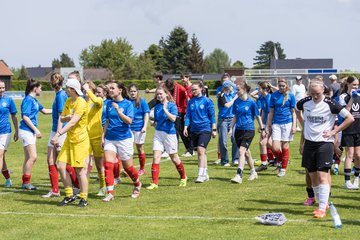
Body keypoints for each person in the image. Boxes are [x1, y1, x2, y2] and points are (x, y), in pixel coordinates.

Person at [296, 79, 354, 218]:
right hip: (310, 143)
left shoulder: (331, 104)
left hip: (325, 143)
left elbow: (350, 118)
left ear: (323, 90)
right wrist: (304, 125)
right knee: (312, 176)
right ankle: (322, 202)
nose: (315, 96)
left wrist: (334, 132)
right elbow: (297, 110)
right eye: (312, 93)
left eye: (317, 93)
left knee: (322, 175)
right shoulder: (304, 102)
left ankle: (322, 208)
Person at [51, 78, 89, 207]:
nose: (66, 90)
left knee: (79, 171)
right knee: (61, 165)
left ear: (72, 89)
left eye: (67, 88)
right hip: (69, 139)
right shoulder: (68, 101)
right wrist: (67, 117)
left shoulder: (81, 103)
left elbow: (73, 122)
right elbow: (63, 118)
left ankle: (84, 198)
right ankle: (69, 195)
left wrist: (58, 134)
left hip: (80, 141)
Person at [102, 82, 142, 202]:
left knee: (128, 167)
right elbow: (107, 121)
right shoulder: (108, 103)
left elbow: (129, 121)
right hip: (110, 138)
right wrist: (102, 136)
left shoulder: (128, 104)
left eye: (113, 88)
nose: (110, 90)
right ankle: (110, 193)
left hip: (124, 139)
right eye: (109, 89)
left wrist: (119, 112)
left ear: (120, 90)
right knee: (108, 165)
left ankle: (137, 184)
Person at [146, 87, 187, 190]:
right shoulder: (157, 107)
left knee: (174, 158)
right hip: (158, 133)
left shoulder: (172, 106)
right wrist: (153, 123)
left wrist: (165, 109)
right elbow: (155, 121)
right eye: (157, 94)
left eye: (161, 94)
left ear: (166, 94)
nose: (159, 96)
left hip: (170, 134)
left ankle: (183, 177)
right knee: (156, 157)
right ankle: (154, 183)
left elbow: (173, 118)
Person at [229, 82, 265, 183]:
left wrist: (262, 129)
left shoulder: (252, 102)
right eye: (236, 89)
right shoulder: (236, 102)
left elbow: (257, 116)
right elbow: (235, 116)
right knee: (246, 153)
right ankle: (253, 172)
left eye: (238, 89)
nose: (236, 91)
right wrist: (231, 128)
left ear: (244, 90)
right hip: (238, 130)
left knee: (241, 151)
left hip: (249, 130)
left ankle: (239, 175)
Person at [19, 79, 52, 190]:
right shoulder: (28, 100)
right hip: (26, 130)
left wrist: (59, 110)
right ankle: (26, 183)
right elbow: (25, 117)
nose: (41, 90)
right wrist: (36, 130)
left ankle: (25, 182)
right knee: (33, 157)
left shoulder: (34, 100)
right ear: (35, 88)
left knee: (28, 157)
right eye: (40, 88)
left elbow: (45, 111)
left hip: (29, 131)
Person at [184, 82, 216, 183]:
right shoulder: (191, 102)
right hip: (194, 130)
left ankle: (200, 175)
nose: (193, 91)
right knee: (201, 153)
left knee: (200, 150)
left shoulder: (207, 101)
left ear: (201, 89)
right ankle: (205, 173)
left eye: (195, 89)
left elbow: (212, 116)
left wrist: (214, 129)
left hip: (205, 129)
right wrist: (185, 127)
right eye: (192, 90)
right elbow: (188, 115)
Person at [42, 73, 68, 198]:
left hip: (60, 131)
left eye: (51, 80)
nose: (50, 82)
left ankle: (76, 187)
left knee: (63, 162)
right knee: (51, 160)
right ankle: (55, 190)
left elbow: (61, 116)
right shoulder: (58, 95)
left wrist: (58, 134)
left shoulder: (61, 95)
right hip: (55, 130)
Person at [265, 78, 296, 177]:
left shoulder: (291, 95)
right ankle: (282, 160)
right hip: (276, 123)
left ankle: (283, 168)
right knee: (274, 147)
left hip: (287, 123)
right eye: (280, 86)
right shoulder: (273, 96)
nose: (281, 87)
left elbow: (294, 112)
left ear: (286, 85)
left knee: (285, 146)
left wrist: (294, 125)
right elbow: (271, 112)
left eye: (283, 86)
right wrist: (268, 125)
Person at [83, 80, 107, 196]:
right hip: (86, 137)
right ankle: (84, 189)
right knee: (85, 165)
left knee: (98, 165)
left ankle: (103, 187)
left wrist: (88, 89)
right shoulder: (85, 102)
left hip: (97, 137)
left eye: (86, 90)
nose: (84, 92)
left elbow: (96, 99)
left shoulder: (99, 101)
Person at [338, 76, 360, 189]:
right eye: (354, 85)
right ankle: (347, 182)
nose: (356, 87)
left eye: (357, 85)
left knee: (358, 155)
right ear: (348, 84)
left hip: (358, 129)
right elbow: (345, 113)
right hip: (348, 129)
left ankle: (356, 179)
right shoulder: (343, 97)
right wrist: (352, 98)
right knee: (350, 155)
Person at [165, 78, 193, 157]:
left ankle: (176, 151)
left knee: (179, 131)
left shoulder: (181, 88)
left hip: (181, 111)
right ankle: (188, 149)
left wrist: (186, 111)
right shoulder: (166, 87)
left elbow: (187, 99)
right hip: (171, 110)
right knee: (179, 131)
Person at [0, 80, 18, 188]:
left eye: (2, 88)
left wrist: (17, 130)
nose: (1, 90)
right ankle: (8, 179)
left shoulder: (8, 100)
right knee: (2, 158)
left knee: (0, 155)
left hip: (5, 133)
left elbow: (14, 116)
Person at [129, 84, 150, 175]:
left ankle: (142, 169)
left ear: (137, 92)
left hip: (139, 128)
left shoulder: (142, 101)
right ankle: (130, 169)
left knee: (139, 148)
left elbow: (146, 114)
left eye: (134, 91)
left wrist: (144, 126)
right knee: (128, 149)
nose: (133, 93)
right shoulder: (127, 101)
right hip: (128, 129)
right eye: (131, 91)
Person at [217, 80, 239, 166]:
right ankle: (224, 161)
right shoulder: (221, 96)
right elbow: (227, 105)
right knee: (223, 141)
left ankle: (235, 159)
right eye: (231, 86)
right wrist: (234, 98)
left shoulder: (233, 94)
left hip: (233, 119)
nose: (233, 87)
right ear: (227, 87)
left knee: (235, 139)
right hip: (223, 120)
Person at [255, 81, 275, 172]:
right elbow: (263, 112)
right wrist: (261, 125)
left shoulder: (269, 98)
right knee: (263, 143)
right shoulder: (263, 98)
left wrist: (266, 126)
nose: (258, 90)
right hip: (265, 123)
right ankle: (264, 163)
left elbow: (271, 114)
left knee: (264, 143)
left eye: (259, 88)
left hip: (270, 123)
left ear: (265, 89)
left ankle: (280, 157)